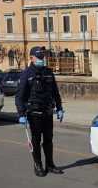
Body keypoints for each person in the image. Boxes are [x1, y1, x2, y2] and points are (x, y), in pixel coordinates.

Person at [16, 46, 64, 177]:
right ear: (31, 58)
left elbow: (55, 92)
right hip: (34, 113)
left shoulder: (48, 72)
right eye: (39, 57)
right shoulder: (26, 74)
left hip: (48, 112)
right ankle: (38, 165)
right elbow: (19, 97)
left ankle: (50, 164)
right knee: (36, 140)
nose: (42, 59)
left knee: (48, 139)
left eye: (43, 57)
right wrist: (21, 114)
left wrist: (59, 108)